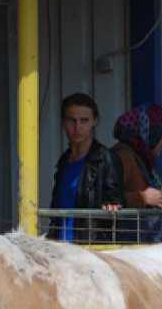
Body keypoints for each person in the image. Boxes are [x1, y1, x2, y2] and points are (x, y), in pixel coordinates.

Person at [50, 93, 122, 242]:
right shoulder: (64, 161)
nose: (77, 127)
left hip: (91, 248)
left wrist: (112, 206)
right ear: (63, 122)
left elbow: (115, 204)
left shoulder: (106, 159)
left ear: (94, 121)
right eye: (72, 120)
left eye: (84, 120)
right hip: (61, 246)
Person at [111, 103, 162, 242]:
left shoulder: (141, 159)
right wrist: (142, 198)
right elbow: (107, 199)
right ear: (149, 133)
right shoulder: (122, 157)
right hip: (127, 248)